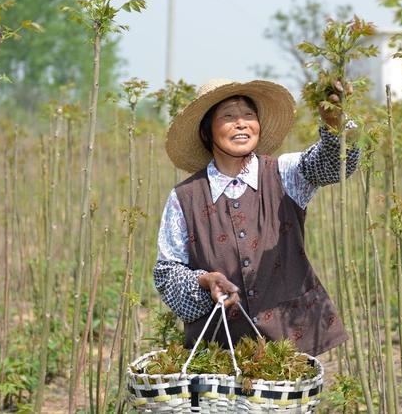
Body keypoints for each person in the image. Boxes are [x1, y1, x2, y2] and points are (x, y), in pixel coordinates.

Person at [153, 79, 360, 356]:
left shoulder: (284, 173)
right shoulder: (184, 197)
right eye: (228, 116)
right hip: (220, 349)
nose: (241, 123)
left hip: (290, 344)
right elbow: (167, 273)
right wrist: (205, 281)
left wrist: (337, 125)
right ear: (207, 132)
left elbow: (333, 165)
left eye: (248, 115)